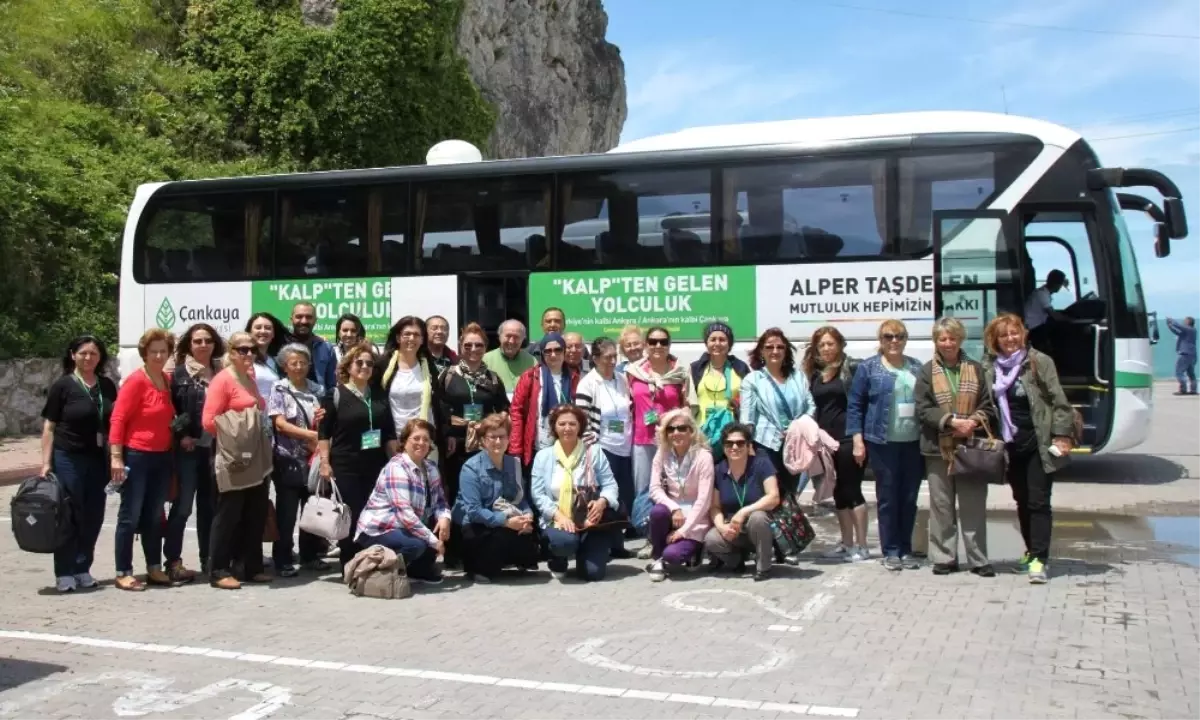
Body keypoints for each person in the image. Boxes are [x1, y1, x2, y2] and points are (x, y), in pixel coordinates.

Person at [983, 313, 1075, 584]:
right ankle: (1031, 551)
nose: (1010, 339)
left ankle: (1040, 559)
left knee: (1038, 501)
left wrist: (1061, 435)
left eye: (1015, 332)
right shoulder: (990, 367)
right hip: (1010, 444)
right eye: (1004, 335)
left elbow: (1060, 402)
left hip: (1040, 442)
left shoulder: (1038, 361)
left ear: (1023, 333)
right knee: (1022, 500)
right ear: (995, 340)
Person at [914, 317, 997, 577]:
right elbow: (923, 408)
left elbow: (987, 404)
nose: (947, 343)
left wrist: (972, 422)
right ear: (936, 341)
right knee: (941, 506)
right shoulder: (927, 371)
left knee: (973, 504)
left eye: (952, 338)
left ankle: (978, 559)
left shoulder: (975, 368)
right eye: (942, 338)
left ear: (960, 339)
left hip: (971, 446)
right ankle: (944, 557)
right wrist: (950, 422)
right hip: (938, 448)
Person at [39, 335, 118, 593]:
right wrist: (45, 463)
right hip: (67, 457)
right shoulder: (63, 386)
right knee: (70, 514)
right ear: (73, 355)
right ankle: (64, 572)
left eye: (93, 354)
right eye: (83, 353)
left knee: (93, 515)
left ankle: (83, 568)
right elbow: (49, 427)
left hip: (97, 458)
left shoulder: (106, 386)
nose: (88, 358)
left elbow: (114, 423)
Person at [847, 319, 926, 571]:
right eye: (889, 336)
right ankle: (890, 550)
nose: (894, 341)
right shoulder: (869, 368)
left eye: (899, 336)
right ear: (880, 341)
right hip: (882, 443)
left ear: (906, 339)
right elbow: (855, 405)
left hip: (913, 442)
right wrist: (857, 440)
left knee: (909, 497)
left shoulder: (916, 367)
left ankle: (905, 549)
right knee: (888, 497)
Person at [202, 331, 273, 590]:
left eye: (252, 349)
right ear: (231, 352)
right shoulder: (222, 380)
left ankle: (250, 566)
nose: (249, 354)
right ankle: (219, 570)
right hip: (232, 456)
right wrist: (237, 433)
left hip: (255, 454)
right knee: (228, 513)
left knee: (254, 511)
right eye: (242, 349)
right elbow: (209, 421)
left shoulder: (250, 376)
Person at [108, 328, 177, 591]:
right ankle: (123, 571)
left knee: (153, 516)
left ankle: (154, 567)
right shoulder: (136, 381)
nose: (159, 355)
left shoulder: (166, 380)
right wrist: (116, 457)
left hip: (161, 456)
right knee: (130, 515)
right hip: (136, 456)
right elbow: (118, 419)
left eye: (163, 351)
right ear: (144, 354)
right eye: (153, 351)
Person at [319, 342, 399, 567]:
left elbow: (389, 432)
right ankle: (349, 562)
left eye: (370, 363)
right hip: (346, 464)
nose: (365, 367)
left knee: (372, 513)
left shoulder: (379, 395)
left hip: (375, 464)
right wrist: (325, 462)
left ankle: (369, 559)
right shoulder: (335, 394)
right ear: (348, 365)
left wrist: (397, 461)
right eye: (359, 362)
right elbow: (323, 432)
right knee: (351, 514)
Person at [355, 419, 451, 585]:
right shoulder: (397, 467)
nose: (421, 443)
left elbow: (441, 501)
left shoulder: (431, 468)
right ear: (404, 442)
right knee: (417, 545)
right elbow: (405, 514)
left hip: (407, 526)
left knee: (437, 532)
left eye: (426, 439)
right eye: (416, 438)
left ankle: (415, 570)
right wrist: (433, 540)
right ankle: (377, 572)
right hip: (379, 529)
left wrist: (444, 518)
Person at [531, 404, 621, 582]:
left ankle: (585, 551)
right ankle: (558, 558)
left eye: (572, 424)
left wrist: (603, 501)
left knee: (593, 574)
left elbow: (611, 485)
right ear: (554, 427)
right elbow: (538, 494)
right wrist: (558, 516)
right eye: (562, 424)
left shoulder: (594, 452)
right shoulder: (544, 456)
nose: (567, 428)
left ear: (580, 426)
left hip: (590, 521)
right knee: (565, 543)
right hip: (558, 519)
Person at [803, 326, 868, 562]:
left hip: (850, 439)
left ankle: (862, 545)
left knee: (852, 491)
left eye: (830, 343)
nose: (826, 348)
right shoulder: (816, 374)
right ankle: (846, 543)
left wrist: (860, 439)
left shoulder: (852, 368)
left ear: (840, 344)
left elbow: (860, 404)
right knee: (838, 493)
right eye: (822, 345)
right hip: (826, 443)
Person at [452, 413, 540, 582]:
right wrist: (506, 522)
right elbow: (474, 511)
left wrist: (527, 515)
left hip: (504, 517)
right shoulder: (470, 468)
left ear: (508, 439)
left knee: (529, 544)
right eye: (492, 437)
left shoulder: (513, 464)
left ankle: (504, 558)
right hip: (475, 523)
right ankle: (478, 566)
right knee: (498, 542)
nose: (498, 442)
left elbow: (520, 498)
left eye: (502, 437)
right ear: (484, 441)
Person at [166, 323, 224, 581]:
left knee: (210, 508)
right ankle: (173, 561)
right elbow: (171, 412)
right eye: (197, 341)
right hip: (189, 451)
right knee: (183, 508)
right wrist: (182, 435)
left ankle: (208, 559)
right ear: (189, 344)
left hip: (215, 450)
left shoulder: (222, 373)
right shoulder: (178, 376)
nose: (203, 345)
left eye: (208, 340)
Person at [267, 342, 328, 577]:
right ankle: (282, 559)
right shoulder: (279, 389)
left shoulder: (317, 390)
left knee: (312, 508)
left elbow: (324, 419)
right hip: (287, 460)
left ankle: (310, 556)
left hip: (312, 460)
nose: (299, 366)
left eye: (303, 362)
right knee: (287, 512)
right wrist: (311, 435)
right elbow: (280, 423)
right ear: (285, 366)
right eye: (294, 363)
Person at [437, 323, 510, 510]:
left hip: (485, 443)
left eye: (479, 345)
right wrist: (448, 435)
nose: (473, 349)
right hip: (457, 444)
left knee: (484, 488)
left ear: (486, 348)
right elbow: (440, 408)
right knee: (456, 488)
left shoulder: (492, 378)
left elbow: (503, 408)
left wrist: (494, 425)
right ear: (461, 347)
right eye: (468, 345)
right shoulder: (448, 375)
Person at [575, 337, 635, 554]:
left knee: (622, 497)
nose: (612, 361)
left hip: (624, 447)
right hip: (603, 448)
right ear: (595, 358)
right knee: (604, 496)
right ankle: (602, 546)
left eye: (614, 356)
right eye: (607, 357)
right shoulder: (588, 383)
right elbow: (582, 420)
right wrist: (594, 448)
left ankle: (618, 543)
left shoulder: (622, 379)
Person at [625, 326, 695, 511]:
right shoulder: (633, 372)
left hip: (673, 439)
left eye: (663, 342)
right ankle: (645, 525)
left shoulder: (680, 372)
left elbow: (689, 406)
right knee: (643, 488)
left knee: (674, 486)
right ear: (646, 345)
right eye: (653, 342)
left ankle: (675, 523)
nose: (658, 345)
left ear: (669, 345)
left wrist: (671, 416)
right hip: (642, 439)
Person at [740, 329, 815, 496]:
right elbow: (747, 417)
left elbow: (810, 406)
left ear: (786, 350)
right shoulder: (753, 380)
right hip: (766, 445)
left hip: (795, 443)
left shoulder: (798, 377)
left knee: (790, 493)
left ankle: (789, 522)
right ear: (761, 351)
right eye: (769, 347)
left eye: (780, 347)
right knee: (770, 494)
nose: (775, 351)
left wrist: (797, 428)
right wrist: (749, 446)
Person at [704, 423, 781, 581]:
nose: (734, 447)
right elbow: (715, 507)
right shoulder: (719, 470)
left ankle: (763, 566)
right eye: (729, 443)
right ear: (724, 447)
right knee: (711, 539)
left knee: (758, 517)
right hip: (734, 530)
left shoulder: (761, 464)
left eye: (740, 443)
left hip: (762, 528)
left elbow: (774, 497)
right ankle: (737, 561)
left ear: (748, 445)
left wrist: (743, 511)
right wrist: (722, 527)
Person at [646, 409, 714, 581]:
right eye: (671, 429)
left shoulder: (704, 457)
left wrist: (684, 531)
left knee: (673, 556)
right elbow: (654, 488)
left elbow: (704, 500)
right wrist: (674, 508)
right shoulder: (662, 454)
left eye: (682, 428)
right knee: (657, 512)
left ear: (691, 432)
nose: (676, 433)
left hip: (696, 520)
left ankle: (696, 549)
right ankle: (658, 559)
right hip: (673, 514)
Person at [509, 333, 581, 472]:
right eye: (548, 351)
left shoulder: (574, 377)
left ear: (564, 351)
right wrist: (516, 449)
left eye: (558, 350)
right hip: (539, 447)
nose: (553, 355)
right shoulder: (531, 376)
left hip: (569, 446)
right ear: (542, 353)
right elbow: (516, 411)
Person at [376, 316, 438, 444]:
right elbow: (378, 403)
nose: (411, 338)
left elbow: (438, 400)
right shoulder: (383, 364)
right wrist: (389, 438)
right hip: (396, 438)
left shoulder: (428, 364)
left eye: (416, 335)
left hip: (424, 438)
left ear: (422, 340)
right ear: (398, 338)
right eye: (407, 334)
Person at [690, 322, 750, 445]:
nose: (717, 343)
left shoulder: (740, 368)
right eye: (713, 339)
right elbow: (689, 403)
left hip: (732, 436)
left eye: (722, 339)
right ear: (707, 343)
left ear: (729, 344)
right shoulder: (695, 368)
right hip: (701, 434)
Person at [483, 319, 538, 395]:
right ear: (499, 337)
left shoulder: (532, 361)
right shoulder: (485, 360)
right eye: (508, 336)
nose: (511, 341)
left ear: (523, 339)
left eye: (516, 337)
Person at [290, 302, 337, 390]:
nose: (304, 321)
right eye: (299, 317)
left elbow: (332, 384)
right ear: (291, 319)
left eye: (309, 317)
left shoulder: (326, 348)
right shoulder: (280, 345)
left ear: (315, 320)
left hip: (318, 401)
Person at [1024, 269, 1070, 355]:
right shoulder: (1042, 294)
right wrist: (1069, 319)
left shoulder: (1043, 293)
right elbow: (1054, 315)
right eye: (1060, 284)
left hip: (1037, 326)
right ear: (1056, 284)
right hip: (1033, 329)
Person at [246, 312, 289, 399]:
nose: (263, 331)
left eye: (268, 328)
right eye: (258, 327)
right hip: (250, 411)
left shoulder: (276, 361)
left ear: (273, 334)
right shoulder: (242, 358)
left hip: (274, 412)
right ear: (250, 332)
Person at [1166, 317, 1197, 395]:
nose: (1183, 321)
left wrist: (1171, 320)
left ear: (1188, 322)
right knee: (1191, 373)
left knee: (1179, 372)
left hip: (1185, 354)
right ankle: (1193, 390)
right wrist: (1169, 326)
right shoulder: (1189, 331)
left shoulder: (1189, 329)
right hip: (1192, 355)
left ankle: (1183, 389)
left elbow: (1179, 326)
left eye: (1185, 320)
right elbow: (1177, 332)